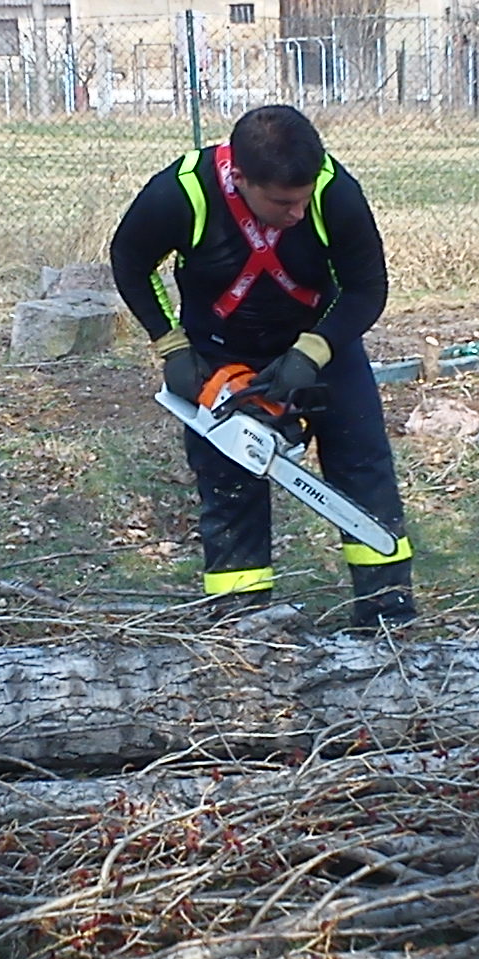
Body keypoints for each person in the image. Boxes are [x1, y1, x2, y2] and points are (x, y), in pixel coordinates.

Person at [109, 103, 414, 628]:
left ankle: (387, 614)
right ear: (241, 178)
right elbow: (129, 262)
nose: (296, 214)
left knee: (364, 470)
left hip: (322, 345)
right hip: (222, 352)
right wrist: (172, 345)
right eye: (282, 203)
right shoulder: (182, 193)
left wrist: (313, 351)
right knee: (229, 490)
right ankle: (241, 622)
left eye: (302, 200)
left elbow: (368, 289)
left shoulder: (333, 191)